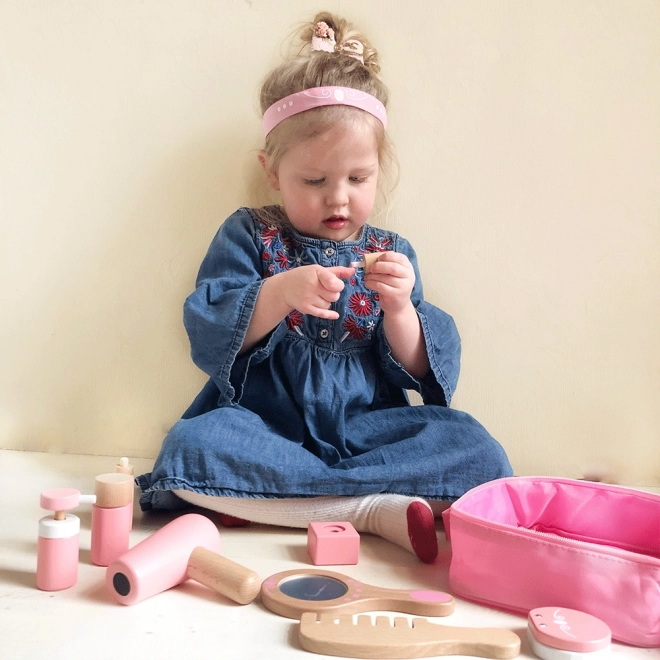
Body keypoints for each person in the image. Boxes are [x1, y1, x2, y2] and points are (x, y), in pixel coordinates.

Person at [137, 12, 513, 564]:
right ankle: (374, 510)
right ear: (272, 172)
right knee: (191, 446)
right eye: (314, 181)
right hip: (269, 428)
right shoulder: (251, 233)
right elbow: (210, 327)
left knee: (477, 449)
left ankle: (279, 501)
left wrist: (400, 309)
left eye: (358, 179)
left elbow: (421, 370)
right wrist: (279, 292)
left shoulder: (391, 251)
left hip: (368, 432)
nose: (338, 198)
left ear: (379, 169)